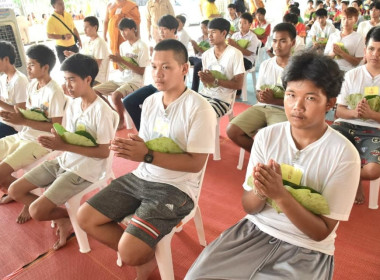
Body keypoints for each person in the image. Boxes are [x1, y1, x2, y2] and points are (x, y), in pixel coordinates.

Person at [185, 51, 361, 280]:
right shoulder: (267, 137)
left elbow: (320, 232)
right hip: (254, 231)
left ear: (330, 103)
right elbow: (249, 206)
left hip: (306, 248)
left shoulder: (344, 154)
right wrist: (260, 189)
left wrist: (280, 195)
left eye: (310, 98)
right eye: (290, 95)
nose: (297, 106)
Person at [77, 39, 216, 280]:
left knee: (129, 253)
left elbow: (195, 163)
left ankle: (140, 254)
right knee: (84, 217)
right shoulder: (151, 101)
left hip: (176, 187)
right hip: (142, 176)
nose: (158, 74)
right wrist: (131, 147)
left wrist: (147, 155)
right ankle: (144, 252)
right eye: (153, 67)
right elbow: (147, 143)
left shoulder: (199, 108)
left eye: (166, 67)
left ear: (184, 69)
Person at [8, 53, 117, 250]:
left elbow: (103, 152)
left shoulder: (102, 111)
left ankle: (68, 217)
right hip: (64, 159)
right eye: (65, 80)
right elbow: (66, 134)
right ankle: (67, 217)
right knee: (15, 189)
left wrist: (62, 146)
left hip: (85, 170)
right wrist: (55, 140)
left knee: (36, 211)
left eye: (72, 80)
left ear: (88, 79)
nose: (67, 86)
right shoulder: (73, 104)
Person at [0, 45, 66, 223]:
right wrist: (15, 115)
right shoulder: (32, 86)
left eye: (31, 65)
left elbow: (56, 127)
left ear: (45, 67)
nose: (27, 68)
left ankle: (43, 208)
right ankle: (21, 194)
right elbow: (29, 114)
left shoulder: (55, 92)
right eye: (27, 65)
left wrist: (22, 121)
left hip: (41, 141)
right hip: (23, 136)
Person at [227, 23, 296, 152]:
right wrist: (262, 96)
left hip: (284, 110)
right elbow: (258, 93)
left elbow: (299, 100)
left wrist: (274, 100)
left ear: (292, 42)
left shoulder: (299, 68)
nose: (277, 45)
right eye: (274, 41)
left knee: (276, 138)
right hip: (262, 107)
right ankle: (259, 154)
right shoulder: (266, 64)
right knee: (232, 130)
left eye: (283, 41)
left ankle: (269, 157)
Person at [331, 26, 380, 204]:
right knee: (324, 148)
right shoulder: (352, 75)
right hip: (346, 124)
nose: (375, 54)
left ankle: (354, 177)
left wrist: (372, 115)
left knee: (373, 171)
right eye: (371, 49)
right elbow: (338, 111)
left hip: (376, 130)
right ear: (365, 50)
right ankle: (353, 178)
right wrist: (355, 113)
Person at [122, 14, 179, 131]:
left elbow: (176, 73)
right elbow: (152, 68)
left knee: (155, 107)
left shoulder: (179, 48)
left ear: (173, 30)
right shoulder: (159, 46)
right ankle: (143, 131)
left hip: (169, 86)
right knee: (129, 102)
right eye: (160, 29)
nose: (161, 32)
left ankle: (159, 133)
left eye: (164, 29)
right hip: (155, 84)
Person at [94, 18, 149, 131]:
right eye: (121, 31)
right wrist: (117, 61)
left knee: (115, 96)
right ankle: (114, 114)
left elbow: (141, 71)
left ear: (133, 29)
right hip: (121, 79)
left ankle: (121, 120)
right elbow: (121, 70)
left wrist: (122, 60)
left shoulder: (142, 46)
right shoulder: (123, 46)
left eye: (125, 30)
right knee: (94, 91)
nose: (122, 34)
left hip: (135, 81)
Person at [199, 17, 245, 117]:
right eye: (208, 32)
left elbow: (239, 85)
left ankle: (208, 132)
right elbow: (206, 85)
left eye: (213, 32)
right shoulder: (206, 55)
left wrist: (214, 80)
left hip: (223, 99)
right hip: (205, 94)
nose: (209, 36)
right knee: (184, 110)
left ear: (224, 33)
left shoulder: (235, 54)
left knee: (202, 115)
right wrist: (204, 79)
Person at [64, 16, 110, 84]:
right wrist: (73, 55)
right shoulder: (86, 42)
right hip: (87, 76)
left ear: (95, 27)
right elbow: (83, 58)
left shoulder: (100, 42)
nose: (84, 30)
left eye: (87, 27)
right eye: (84, 27)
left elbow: (96, 65)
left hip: (96, 78)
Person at [0, 41, 28, 139]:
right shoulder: (3, 78)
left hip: (14, 126)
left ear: (6, 59)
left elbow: (21, 112)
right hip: (3, 120)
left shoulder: (20, 80)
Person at [324, 7, 365, 72]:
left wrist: (341, 53)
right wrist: (333, 53)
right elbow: (326, 57)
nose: (346, 22)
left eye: (349, 19)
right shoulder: (333, 35)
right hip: (332, 69)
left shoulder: (359, 38)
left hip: (348, 71)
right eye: (343, 19)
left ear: (355, 20)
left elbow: (356, 62)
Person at [103, 0, 141, 69]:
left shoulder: (131, 5)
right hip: (113, 39)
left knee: (128, 56)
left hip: (126, 37)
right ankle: (119, 70)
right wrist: (104, 35)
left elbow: (137, 23)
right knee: (116, 55)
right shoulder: (110, 5)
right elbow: (106, 21)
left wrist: (138, 36)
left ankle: (129, 70)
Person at [190, 20, 210, 92]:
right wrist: (194, 46)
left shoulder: (211, 39)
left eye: (204, 28)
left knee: (197, 66)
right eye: (201, 28)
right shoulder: (199, 38)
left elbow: (207, 53)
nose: (202, 30)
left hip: (204, 58)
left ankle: (194, 89)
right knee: (182, 60)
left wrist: (197, 47)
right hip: (197, 57)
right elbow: (196, 52)